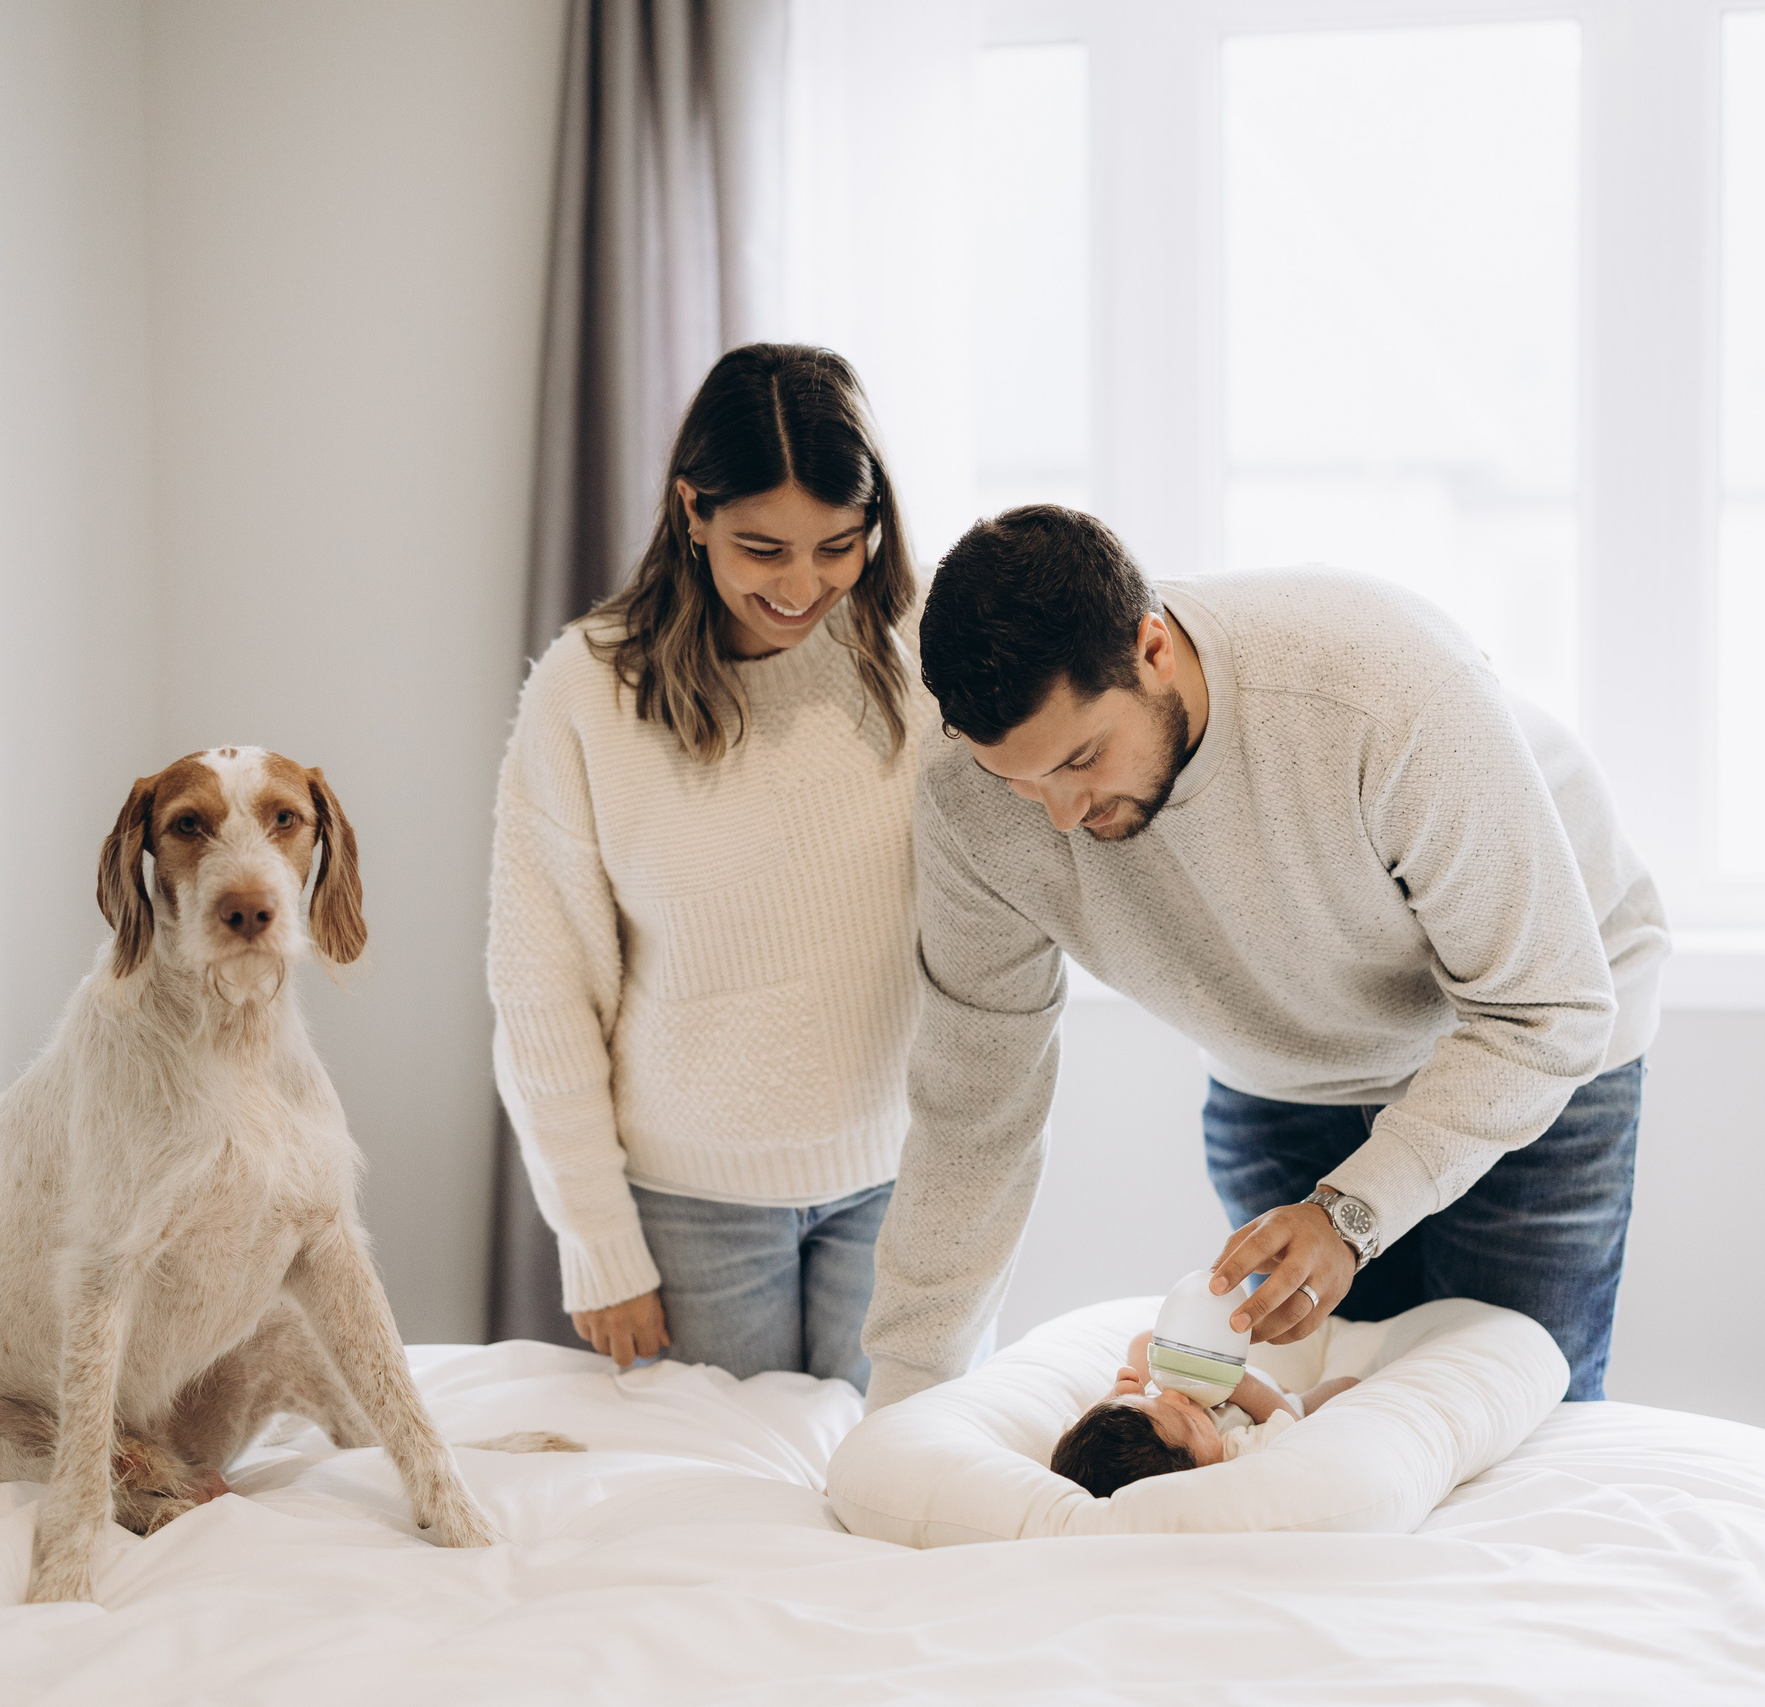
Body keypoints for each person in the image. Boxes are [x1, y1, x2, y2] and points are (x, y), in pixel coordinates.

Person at [861, 505, 1668, 1412]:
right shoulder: (965, 791)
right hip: (1282, 1079)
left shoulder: (1381, 688)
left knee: (1507, 1436)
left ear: (1153, 648)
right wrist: (902, 1410)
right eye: (1019, 779)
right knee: (1304, 1437)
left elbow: (1545, 1007)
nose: (1057, 814)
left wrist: (1349, 1213)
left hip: (1528, 1050)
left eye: (1082, 759)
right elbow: (975, 1109)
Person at [487, 344, 923, 1390]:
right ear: (692, 511)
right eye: (761, 548)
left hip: (904, 1181)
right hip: (691, 1208)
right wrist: (596, 1240)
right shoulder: (586, 693)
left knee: (907, 1504)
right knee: (736, 1526)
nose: (803, 585)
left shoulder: (917, 654)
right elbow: (543, 989)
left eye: (838, 545)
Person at [1048, 1330, 1359, 1499]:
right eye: (1188, 1420)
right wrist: (1239, 1386)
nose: (1175, 1397)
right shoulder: (1233, 1451)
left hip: (1200, 1376)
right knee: (1346, 1387)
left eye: (1154, 1402)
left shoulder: (1158, 1414)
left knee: (1143, 1342)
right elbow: (1288, 1421)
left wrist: (1118, 1397)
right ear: (1197, 1471)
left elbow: (1077, 1428)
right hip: (1266, 1398)